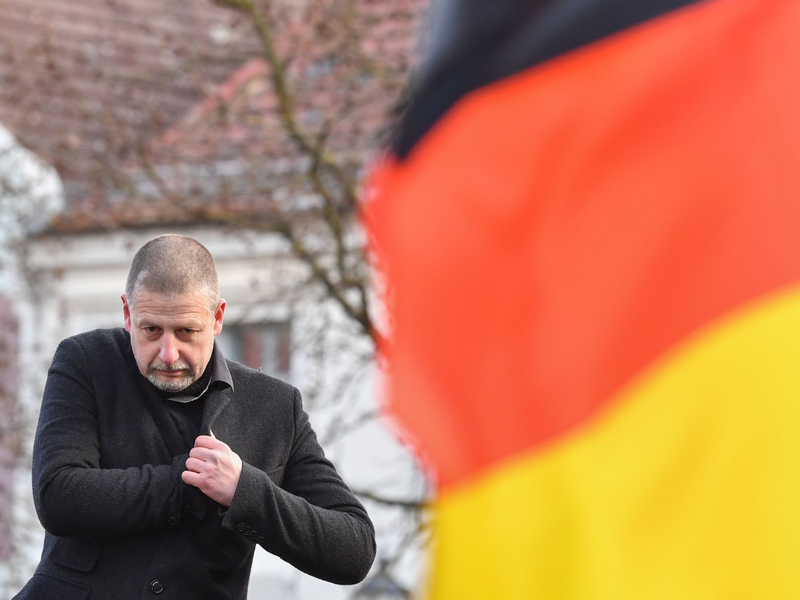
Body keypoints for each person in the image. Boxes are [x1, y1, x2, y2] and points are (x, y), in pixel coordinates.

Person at [15, 234, 376, 599]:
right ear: (127, 313)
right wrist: (188, 484)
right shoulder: (85, 362)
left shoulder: (275, 407)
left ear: (217, 317)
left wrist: (243, 491)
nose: (169, 354)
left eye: (186, 331)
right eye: (151, 330)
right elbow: (58, 496)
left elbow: (354, 549)